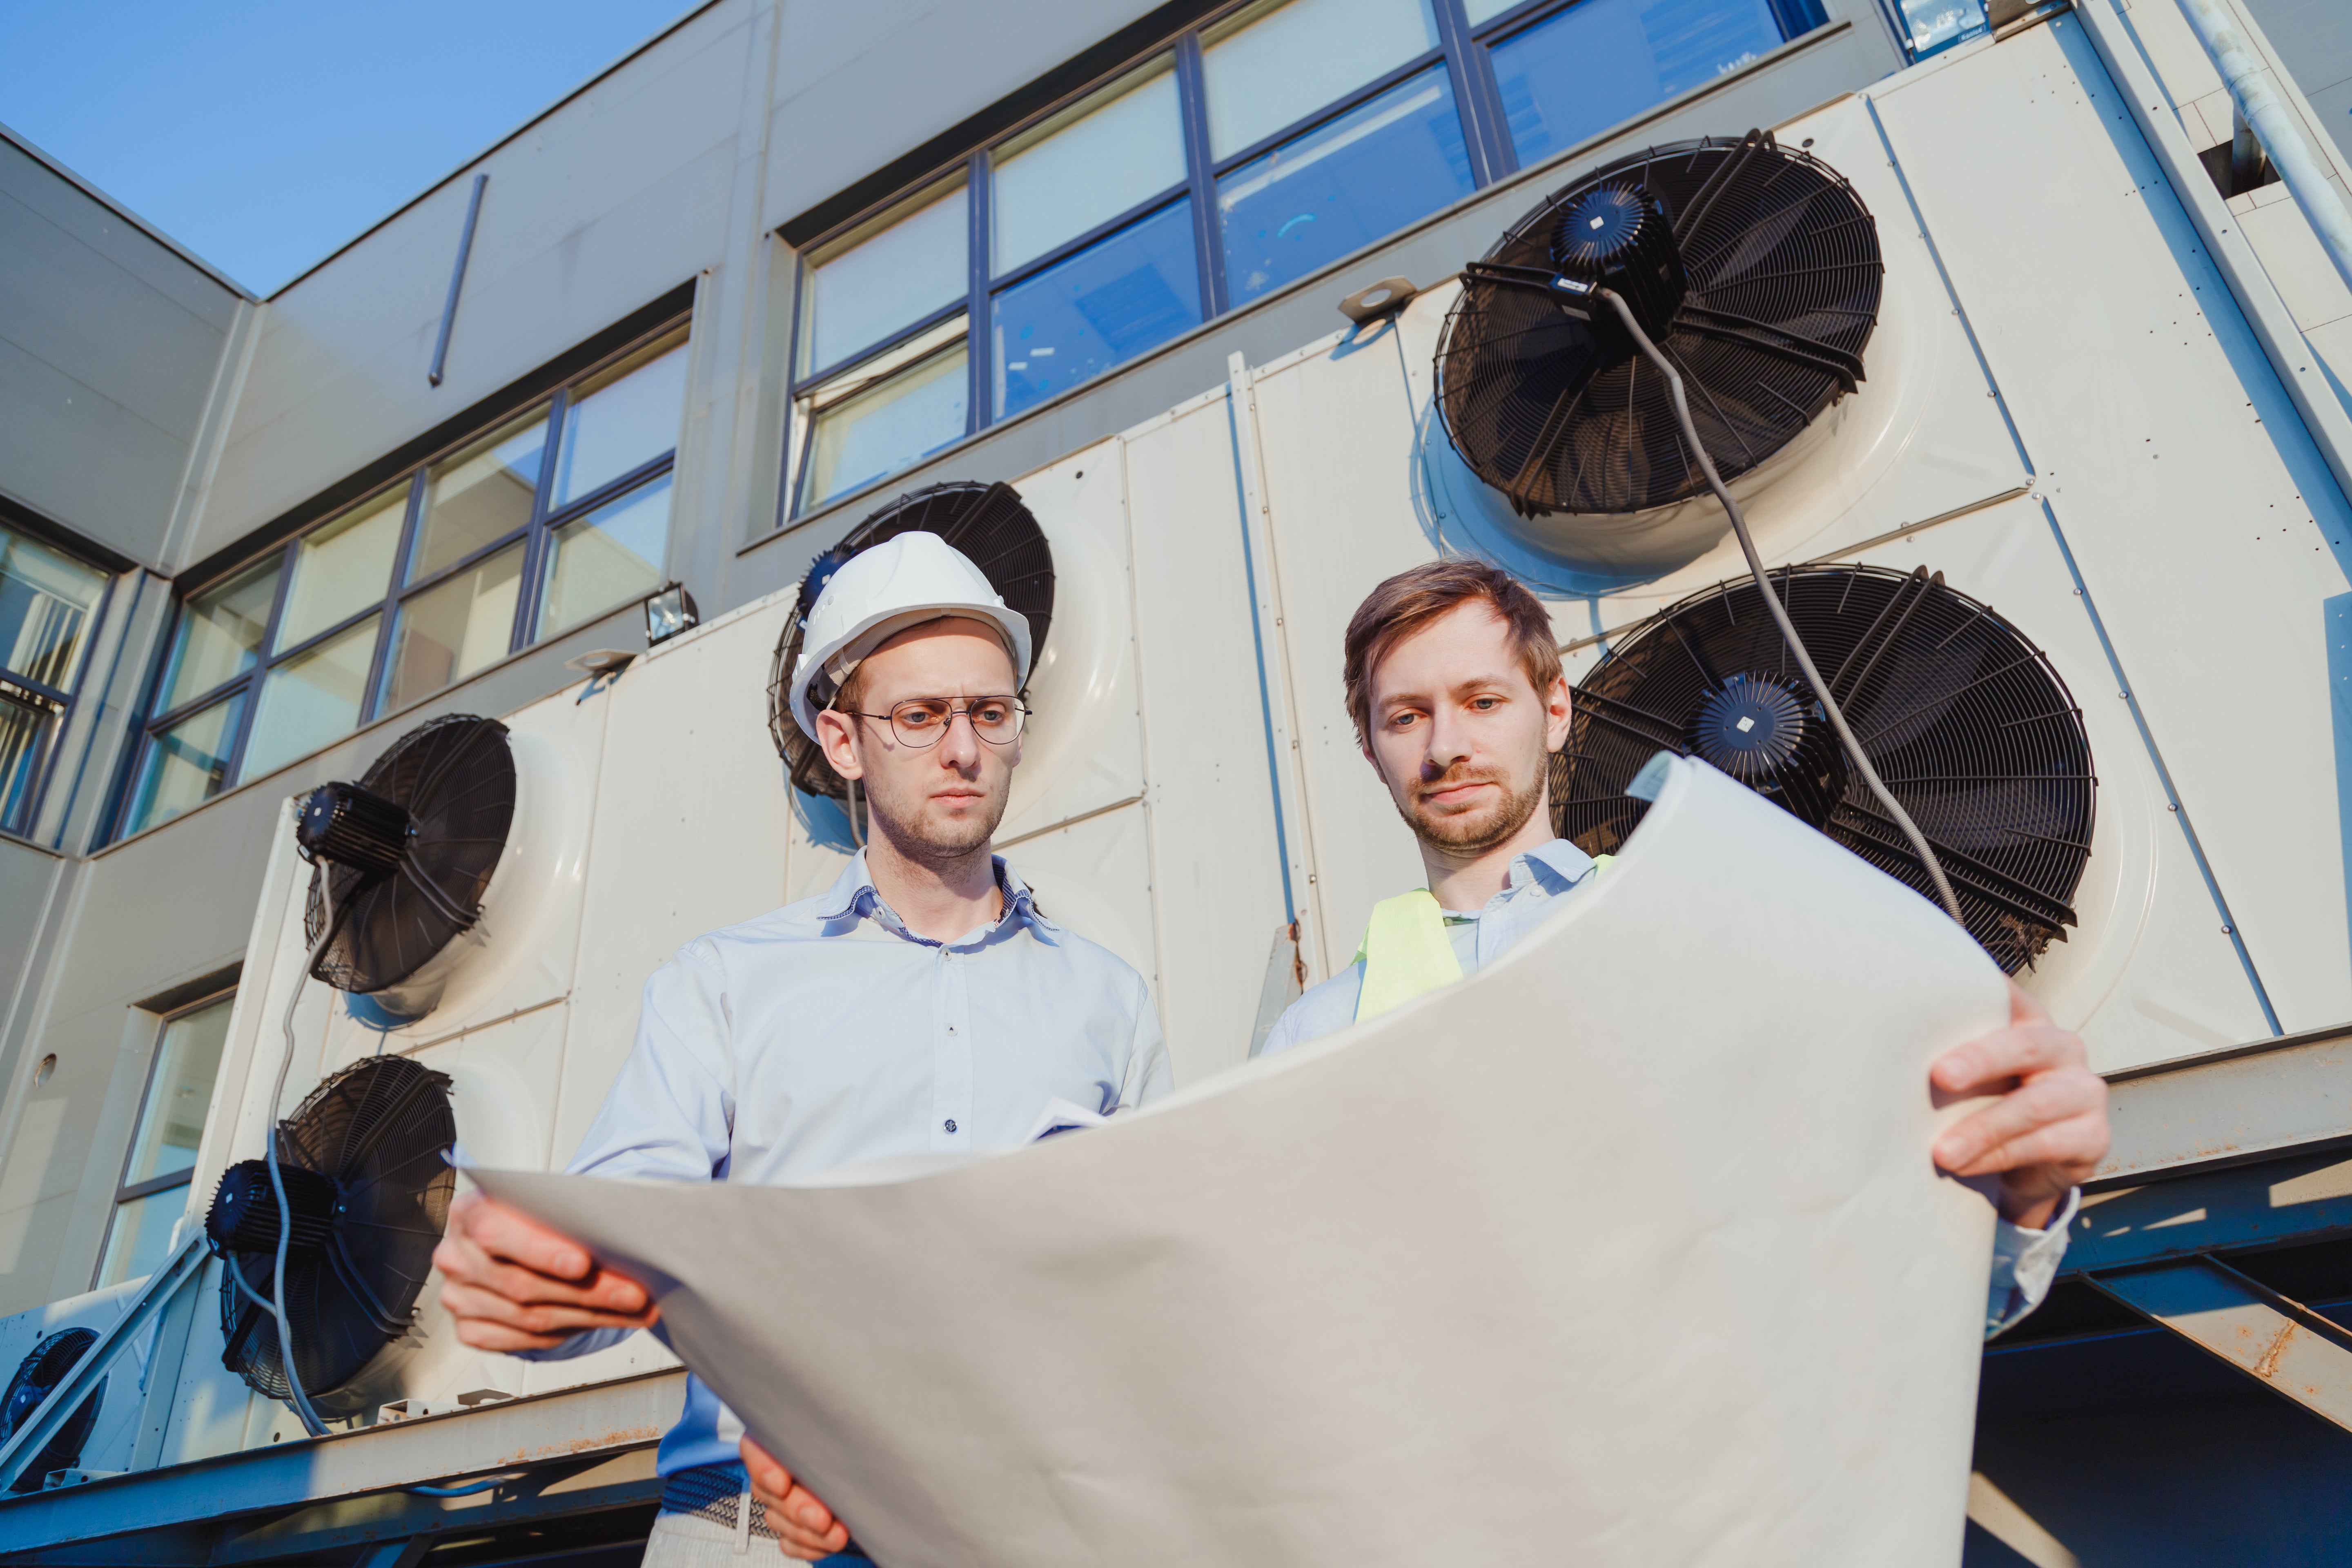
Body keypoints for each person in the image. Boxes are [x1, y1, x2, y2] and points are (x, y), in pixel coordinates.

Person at [431, 532, 1173, 1565]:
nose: (963, 749)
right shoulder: (726, 985)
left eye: (989, 712)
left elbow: (1144, 1297)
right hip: (753, 1537)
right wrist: (558, 1272)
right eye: (919, 716)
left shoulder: (1110, 1001)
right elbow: (623, 1235)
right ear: (843, 740)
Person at [1259, 559, 2110, 1335]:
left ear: (1554, 711)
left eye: (1483, 702)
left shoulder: (1723, 942)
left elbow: (1884, 1274)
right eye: (1407, 717)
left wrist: (2023, 1204)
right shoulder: (1312, 1040)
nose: (1446, 747)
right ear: (1372, 750)